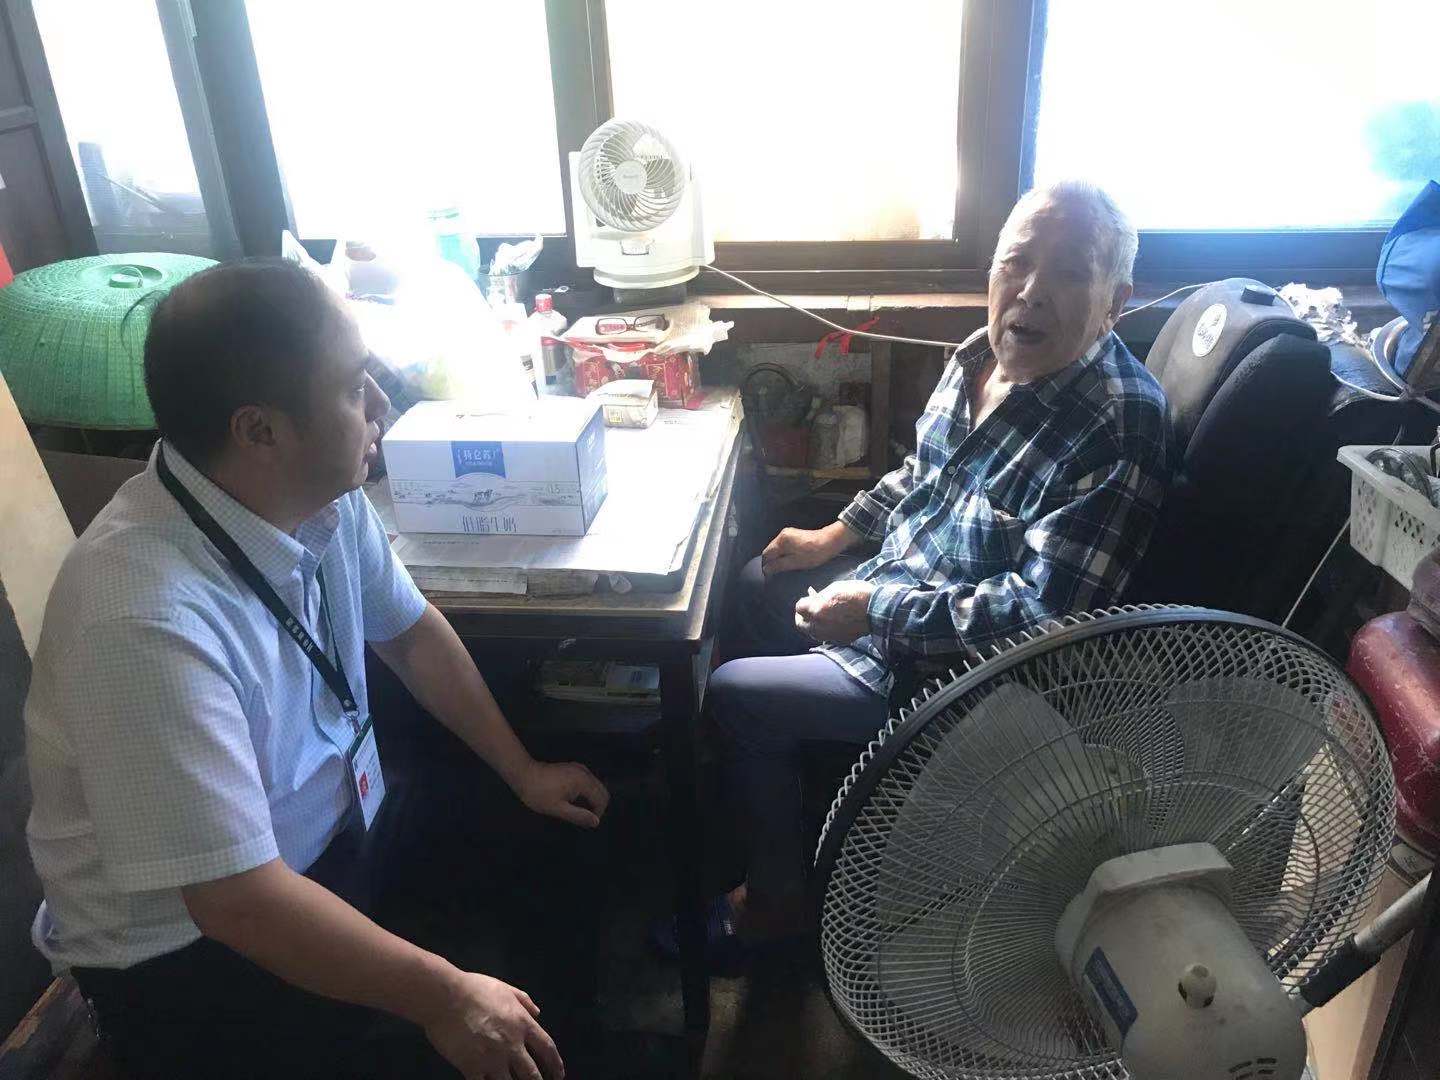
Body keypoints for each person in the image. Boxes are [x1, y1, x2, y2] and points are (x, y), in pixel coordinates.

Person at [24, 259, 610, 1079]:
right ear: (260, 431)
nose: (380, 405)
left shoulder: (320, 494)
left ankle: (550, 1044)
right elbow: (236, 901)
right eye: (353, 386)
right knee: (427, 1040)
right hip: (190, 951)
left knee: (564, 838)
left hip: (330, 829)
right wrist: (447, 998)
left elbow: (412, 634)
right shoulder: (138, 617)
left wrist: (523, 773)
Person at [709, 180, 1172, 946]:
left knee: (736, 697)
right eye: (1016, 263)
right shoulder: (980, 355)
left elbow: (1042, 618)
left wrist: (871, 611)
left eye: (1068, 273)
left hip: (949, 674)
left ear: (1114, 303)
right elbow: (922, 476)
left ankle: (775, 905)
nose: (1031, 292)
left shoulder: (1118, 425)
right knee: (757, 581)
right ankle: (806, 805)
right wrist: (832, 537)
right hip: (897, 582)